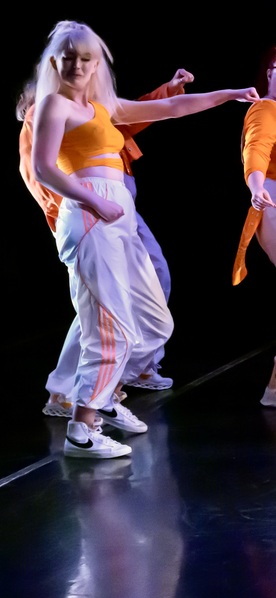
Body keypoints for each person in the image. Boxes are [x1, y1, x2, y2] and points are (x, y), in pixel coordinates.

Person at [16, 19, 260, 459]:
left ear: (96, 65)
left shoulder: (102, 108)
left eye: (85, 58)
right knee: (110, 328)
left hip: (116, 211)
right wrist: (88, 199)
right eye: (68, 57)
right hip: (91, 213)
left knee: (153, 321)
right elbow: (43, 168)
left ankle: (104, 397)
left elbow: (171, 110)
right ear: (55, 61)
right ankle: (82, 428)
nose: (76, 65)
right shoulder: (54, 106)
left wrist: (228, 95)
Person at [18, 67, 195, 419]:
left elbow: (130, 115)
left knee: (140, 286)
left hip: (117, 206)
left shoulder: (91, 108)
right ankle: (75, 390)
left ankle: (121, 372)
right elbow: (37, 172)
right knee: (99, 307)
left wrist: (168, 90)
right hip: (91, 212)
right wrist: (68, 218)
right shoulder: (46, 113)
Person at [232, 45, 276, 407]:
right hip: (272, 199)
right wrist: (256, 185)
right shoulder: (265, 107)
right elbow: (256, 147)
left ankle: (275, 387)